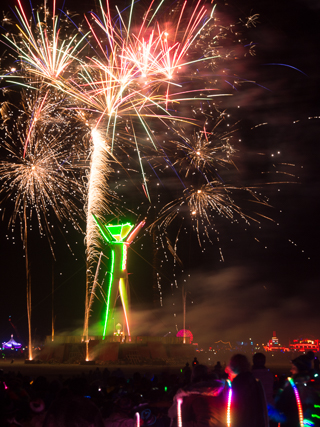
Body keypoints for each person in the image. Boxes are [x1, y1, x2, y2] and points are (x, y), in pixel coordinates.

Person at [274, 355, 320, 426]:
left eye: (293, 368)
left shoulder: (292, 385)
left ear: (300, 370)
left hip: (294, 423)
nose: (291, 370)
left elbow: (280, 405)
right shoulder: (315, 383)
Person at [226, 354, 268, 427]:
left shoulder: (238, 382)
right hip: (256, 421)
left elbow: (237, 408)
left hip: (244, 422)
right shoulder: (253, 380)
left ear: (234, 366)